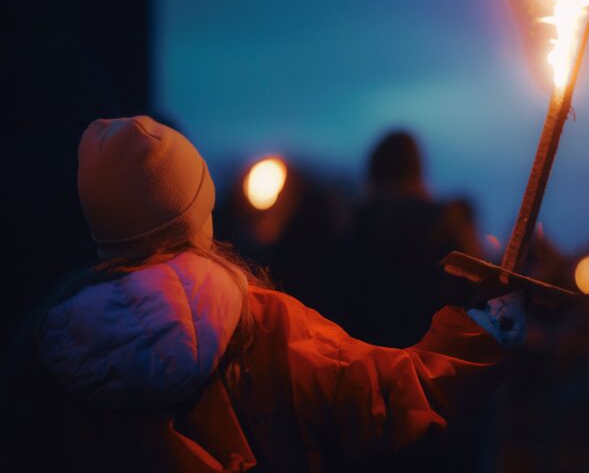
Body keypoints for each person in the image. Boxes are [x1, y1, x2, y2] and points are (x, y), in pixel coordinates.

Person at [3, 116, 526, 473]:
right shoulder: (264, 323)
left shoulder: (44, 354)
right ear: (198, 210)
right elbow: (392, 395)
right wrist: (485, 331)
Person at [342, 130, 483, 347]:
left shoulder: (352, 225)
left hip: (359, 356)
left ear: (373, 171)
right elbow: (471, 303)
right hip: (427, 358)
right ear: (417, 169)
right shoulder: (447, 228)